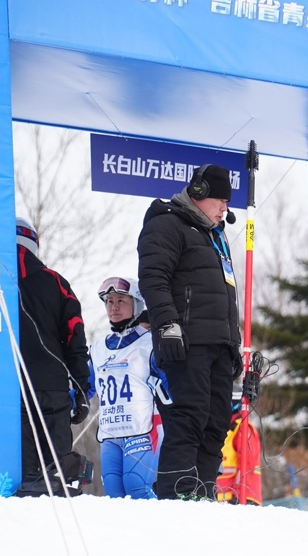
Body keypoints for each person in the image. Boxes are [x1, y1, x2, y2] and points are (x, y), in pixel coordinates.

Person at [137, 164, 243, 500]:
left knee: (217, 421)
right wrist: (167, 325)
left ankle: (202, 490)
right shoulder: (167, 224)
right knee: (190, 415)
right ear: (199, 194)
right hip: (187, 341)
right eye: (220, 200)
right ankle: (177, 491)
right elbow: (153, 278)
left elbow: (226, 294)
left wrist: (234, 343)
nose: (224, 209)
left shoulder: (216, 236)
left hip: (220, 344)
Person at [14, 217, 93, 497]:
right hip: (51, 386)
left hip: (5, 386)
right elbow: (75, 338)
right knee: (54, 476)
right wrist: (82, 389)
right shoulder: (56, 282)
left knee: (16, 475)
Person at [87, 277, 162, 499]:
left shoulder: (151, 343)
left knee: (136, 487)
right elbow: (85, 386)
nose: (114, 307)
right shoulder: (98, 348)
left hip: (141, 430)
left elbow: (171, 384)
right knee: (114, 496)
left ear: (137, 304)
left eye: (121, 300)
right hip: (111, 434)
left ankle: (165, 522)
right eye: (109, 301)